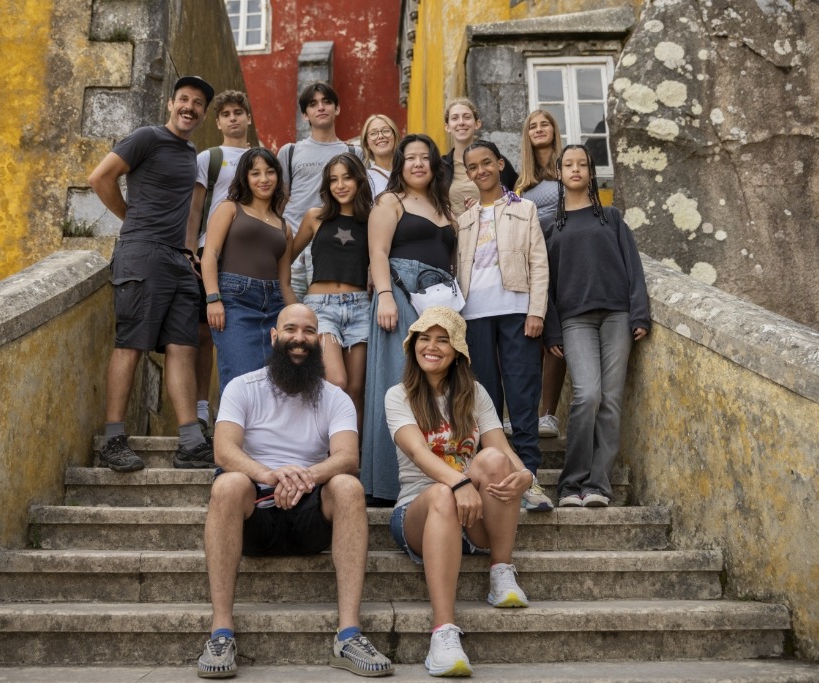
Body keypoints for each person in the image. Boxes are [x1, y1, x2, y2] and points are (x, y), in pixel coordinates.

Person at [197, 303, 394, 679]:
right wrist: (270, 475)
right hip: (256, 513)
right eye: (290, 329)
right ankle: (221, 632)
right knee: (228, 483)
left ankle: (348, 634)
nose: (299, 339)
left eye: (307, 332)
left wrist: (304, 477)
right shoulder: (243, 387)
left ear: (318, 341)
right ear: (274, 336)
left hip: (310, 517)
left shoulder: (334, 397)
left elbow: (348, 457)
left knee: (349, 486)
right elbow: (224, 451)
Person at [386, 307, 531, 678]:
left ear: (457, 352)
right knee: (440, 494)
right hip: (419, 513)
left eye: (442, 339)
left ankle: (500, 570)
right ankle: (444, 635)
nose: (431, 347)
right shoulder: (398, 395)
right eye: (424, 338)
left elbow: (502, 447)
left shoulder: (475, 393)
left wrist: (527, 476)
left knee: (495, 459)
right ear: (413, 345)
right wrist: (460, 482)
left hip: (472, 515)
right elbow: (419, 454)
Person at [88, 75, 215, 472]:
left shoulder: (191, 151)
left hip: (176, 260)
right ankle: (113, 439)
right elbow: (100, 178)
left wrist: (188, 250)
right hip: (141, 255)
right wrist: (132, 219)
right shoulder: (146, 137)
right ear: (170, 103)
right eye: (183, 99)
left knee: (183, 346)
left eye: (197, 103)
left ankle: (191, 442)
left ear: (203, 113)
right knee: (132, 344)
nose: (189, 107)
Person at [543, 145, 650, 508]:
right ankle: (571, 484)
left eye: (582, 164)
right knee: (587, 395)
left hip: (618, 316)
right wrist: (552, 330)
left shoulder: (612, 217)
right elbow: (545, 285)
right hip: (575, 320)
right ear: (559, 173)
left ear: (591, 172)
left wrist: (639, 314)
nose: (575, 169)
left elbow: (633, 267)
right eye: (568, 164)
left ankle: (599, 486)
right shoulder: (550, 226)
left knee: (611, 401)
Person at [456, 140, 553, 512]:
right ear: (467, 173)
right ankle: (493, 476)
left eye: (487, 163)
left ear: (499, 164)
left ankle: (530, 478)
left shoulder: (524, 209)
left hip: (516, 309)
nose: (481, 171)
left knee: (522, 394)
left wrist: (537, 311)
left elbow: (539, 263)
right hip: (474, 315)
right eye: (473, 167)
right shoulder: (464, 220)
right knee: (484, 399)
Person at [363, 133, 456, 506]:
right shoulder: (390, 201)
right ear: (400, 165)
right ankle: (386, 485)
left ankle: (435, 476)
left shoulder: (445, 207)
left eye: (425, 157)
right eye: (410, 157)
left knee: (436, 385)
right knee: (395, 381)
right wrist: (385, 295)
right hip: (399, 293)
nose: (418, 163)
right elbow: (378, 251)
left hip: (440, 300)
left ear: (434, 165)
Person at [201, 149, 295, 399]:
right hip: (235, 302)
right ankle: (230, 438)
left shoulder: (284, 227)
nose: (264, 179)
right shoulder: (230, 208)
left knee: (274, 385)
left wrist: (298, 318)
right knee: (240, 379)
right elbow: (209, 254)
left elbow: (285, 282)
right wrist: (213, 298)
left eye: (270, 172)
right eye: (255, 173)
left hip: (275, 305)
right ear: (245, 177)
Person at [187, 90, 254, 432]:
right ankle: (201, 408)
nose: (232, 118)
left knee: (242, 333)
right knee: (203, 334)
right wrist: (190, 252)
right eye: (225, 113)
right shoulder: (208, 158)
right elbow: (196, 209)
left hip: (246, 259)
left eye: (238, 112)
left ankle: (242, 411)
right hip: (207, 255)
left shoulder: (260, 159)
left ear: (248, 118)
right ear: (217, 122)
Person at [291, 154, 374, 431]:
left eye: (347, 177)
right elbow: (285, 258)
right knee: (336, 381)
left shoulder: (373, 219)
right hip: (321, 307)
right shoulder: (315, 217)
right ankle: (324, 449)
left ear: (359, 180)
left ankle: (351, 458)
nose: (340, 185)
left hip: (361, 307)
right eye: (333, 179)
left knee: (355, 389)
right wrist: (290, 300)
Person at [276, 82, 364, 300]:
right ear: (305, 114)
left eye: (327, 102)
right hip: (293, 249)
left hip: (335, 248)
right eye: (313, 104)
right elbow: (280, 201)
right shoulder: (290, 151)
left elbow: (362, 203)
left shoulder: (354, 153)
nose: (321, 107)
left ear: (338, 108)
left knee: (327, 319)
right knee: (291, 321)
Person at [516, 109, 565, 440]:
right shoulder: (521, 180)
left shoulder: (567, 169)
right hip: (532, 259)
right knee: (534, 334)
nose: (538, 129)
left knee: (557, 334)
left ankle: (549, 414)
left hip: (563, 255)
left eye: (544, 124)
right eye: (532, 126)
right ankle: (530, 413)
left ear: (554, 130)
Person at [441, 98, 518, 216]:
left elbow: (516, 195)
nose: (461, 122)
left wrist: (486, 206)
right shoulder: (440, 167)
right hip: (453, 232)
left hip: (493, 230)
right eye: (455, 118)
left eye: (467, 117)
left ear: (477, 124)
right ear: (447, 127)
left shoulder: (495, 161)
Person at [359, 114, 399, 197]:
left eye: (386, 130)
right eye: (373, 133)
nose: (380, 136)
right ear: (367, 144)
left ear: (395, 136)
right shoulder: (364, 180)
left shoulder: (409, 171)